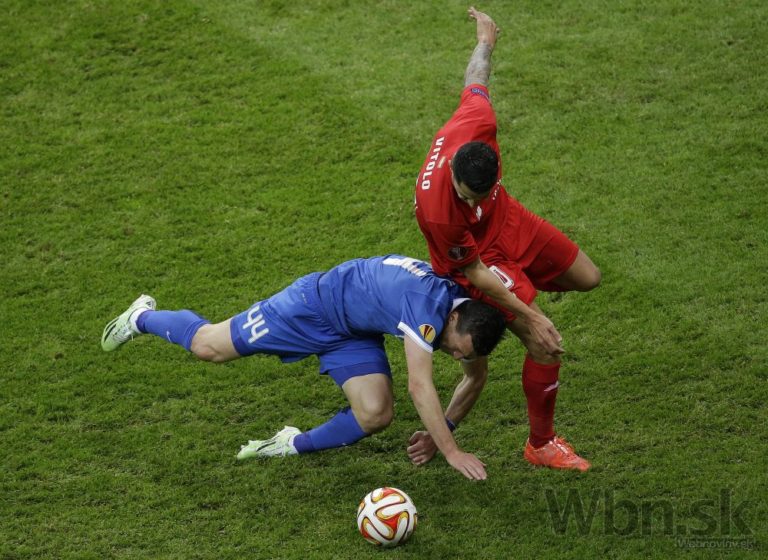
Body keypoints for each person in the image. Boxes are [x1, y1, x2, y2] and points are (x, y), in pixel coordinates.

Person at [101, 255, 506, 480]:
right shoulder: (427, 308)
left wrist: (441, 432)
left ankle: (289, 443)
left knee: (376, 413)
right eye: (455, 348)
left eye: (461, 354)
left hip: (354, 332)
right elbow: (420, 386)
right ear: (454, 318)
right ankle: (140, 317)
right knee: (209, 347)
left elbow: (476, 376)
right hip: (310, 308)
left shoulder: (469, 319)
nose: (454, 356)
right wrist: (451, 452)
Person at [411, 7, 601, 472]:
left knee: (588, 277)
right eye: (464, 195)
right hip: (476, 261)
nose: (469, 201)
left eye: (477, 195)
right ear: (452, 173)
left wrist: (485, 39)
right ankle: (541, 443)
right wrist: (530, 314)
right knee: (544, 342)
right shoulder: (440, 212)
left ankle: (523, 287)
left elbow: (476, 79)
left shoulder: (478, 122)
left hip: (509, 221)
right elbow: (476, 269)